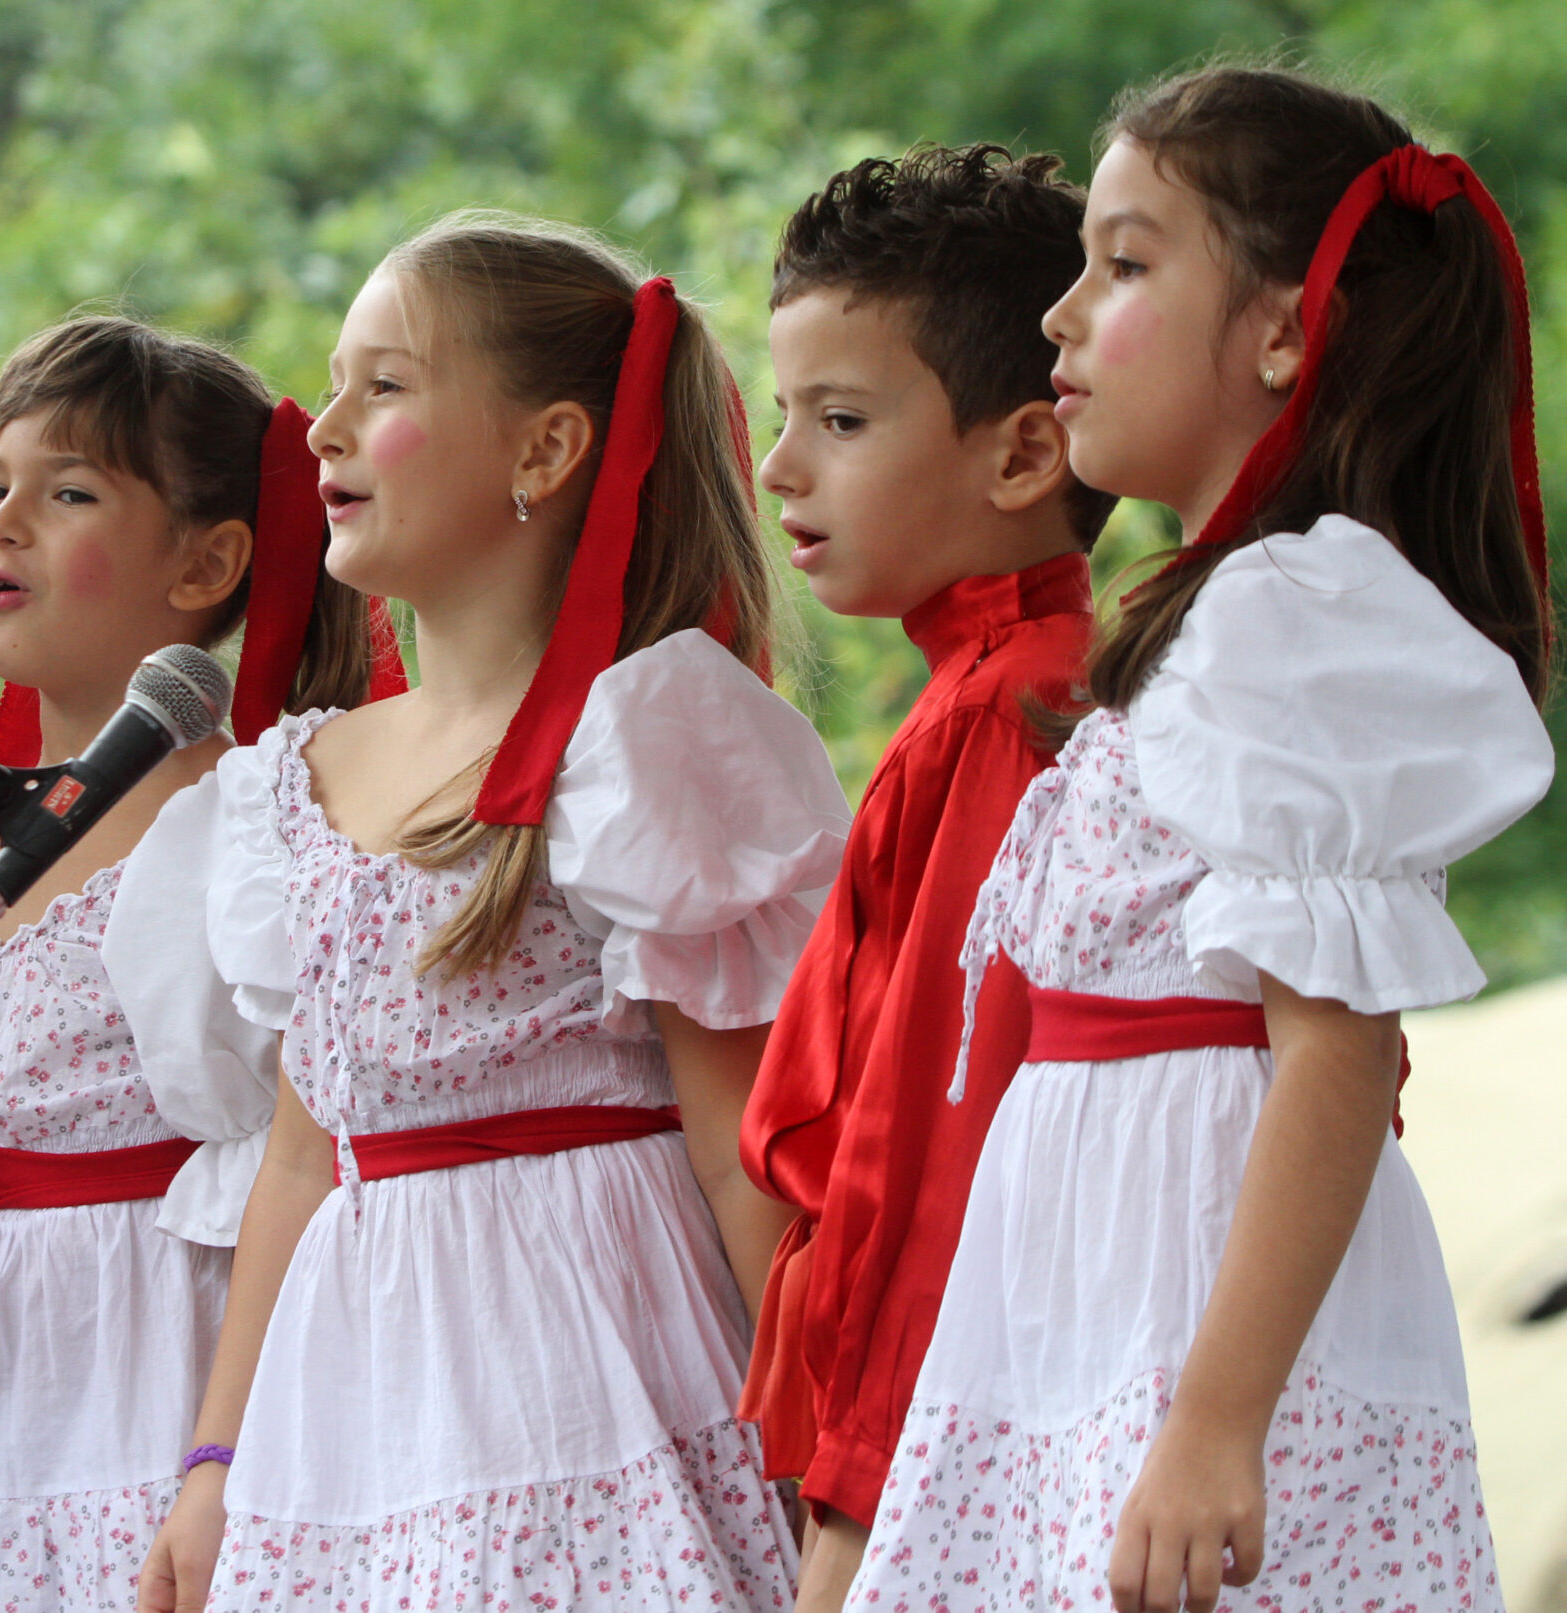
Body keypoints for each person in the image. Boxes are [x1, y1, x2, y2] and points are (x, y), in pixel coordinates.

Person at [848, 65, 1553, 1613]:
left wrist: (1217, 1421)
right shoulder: (1216, 626)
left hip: (1197, 1324)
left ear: (1284, 333)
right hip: (1099, 1304)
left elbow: (1336, 1051)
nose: (1060, 314)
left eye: (1124, 264)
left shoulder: (1291, 621)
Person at [133, 214, 852, 1612]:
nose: (325, 429)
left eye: (385, 386)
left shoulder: (639, 740)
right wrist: (215, 1461)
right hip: (354, 1406)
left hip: (584, 1377)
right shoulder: (296, 777)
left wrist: (831, 1474)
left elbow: (742, 1159)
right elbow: (300, 1161)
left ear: (547, 449)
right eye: (333, 386)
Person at [0, 314, 397, 1611]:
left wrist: (219, 1459)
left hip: (170, 1358)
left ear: (208, 560)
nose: (3, 522)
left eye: (69, 493)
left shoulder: (262, 819)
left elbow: (297, 1169)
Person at [731, 143, 1111, 1611]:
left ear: (1023, 454)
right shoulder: (1001, 687)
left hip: (935, 1436)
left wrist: (861, 1494)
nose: (781, 467)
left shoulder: (1010, 717)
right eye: (783, 416)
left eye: (839, 419)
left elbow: (929, 1146)